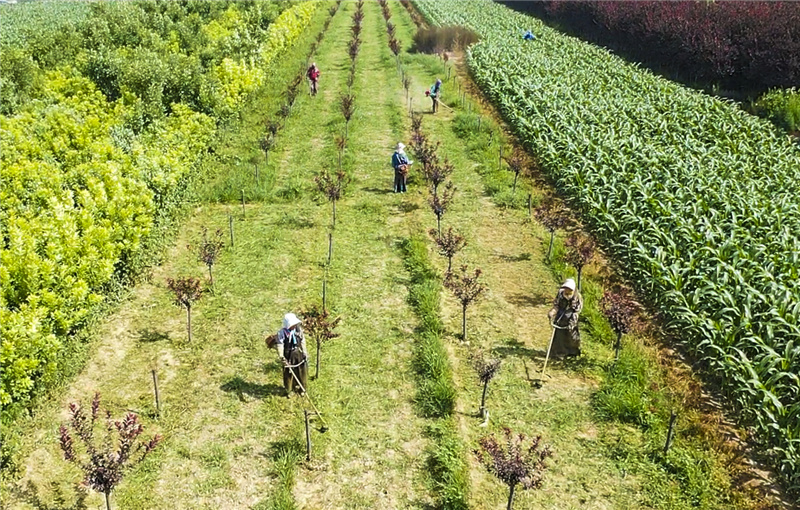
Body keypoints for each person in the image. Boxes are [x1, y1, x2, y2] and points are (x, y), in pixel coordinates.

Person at [274, 312, 308, 397]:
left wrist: (304, 352)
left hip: (299, 354)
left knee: (302, 372)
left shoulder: (298, 330)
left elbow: (303, 341)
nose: (294, 326)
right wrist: (281, 356)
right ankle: (289, 390)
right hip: (288, 355)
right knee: (288, 374)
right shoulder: (282, 333)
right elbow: (280, 345)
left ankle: (302, 388)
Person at [546, 279, 583, 358]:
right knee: (559, 336)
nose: (567, 290)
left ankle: (572, 352)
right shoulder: (561, 294)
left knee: (572, 337)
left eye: (569, 289)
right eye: (566, 288)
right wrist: (552, 312)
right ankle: (559, 353)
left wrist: (572, 323)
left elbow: (576, 311)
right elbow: (557, 305)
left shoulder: (577, 297)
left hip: (571, 318)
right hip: (560, 318)